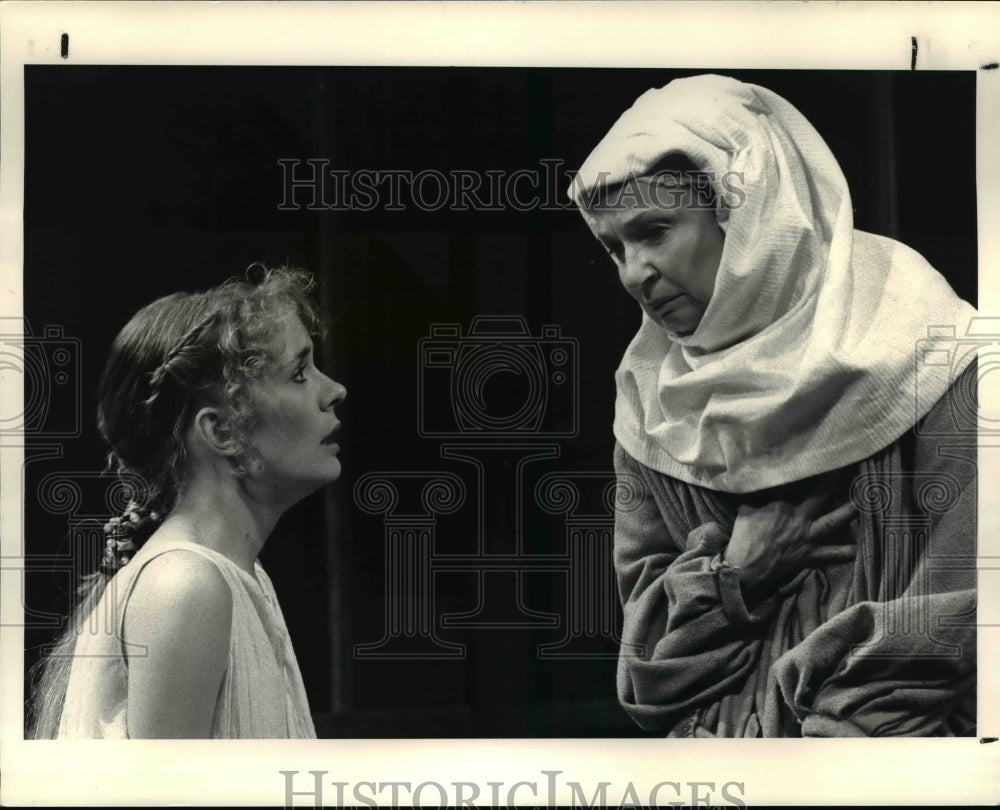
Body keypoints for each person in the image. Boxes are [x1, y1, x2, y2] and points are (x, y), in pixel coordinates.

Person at [568, 74, 978, 737]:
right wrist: (735, 576)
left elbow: (965, 612)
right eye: (615, 247)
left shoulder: (933, 349)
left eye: (655, 231)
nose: (633, 273)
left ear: (748, 212)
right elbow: (646, 680)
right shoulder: (651, 403)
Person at [28, 266, 346, 739]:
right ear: (222, 431)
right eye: (299, 373)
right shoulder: (186, 586)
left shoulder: (240, 577)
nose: (334, 391)